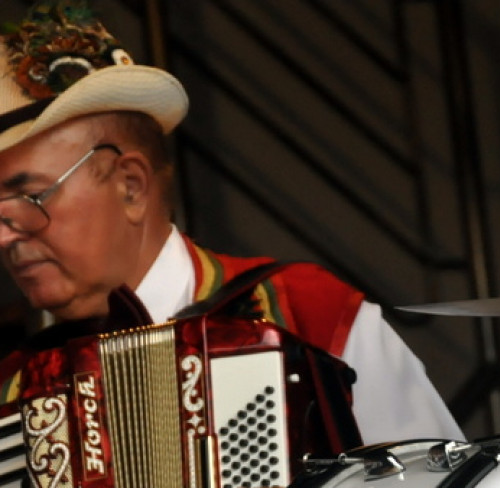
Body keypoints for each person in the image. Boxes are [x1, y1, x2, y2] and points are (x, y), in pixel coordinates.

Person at [0, 3, 463, 446]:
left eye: (28, 197)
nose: (5, 235)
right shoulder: (16, 385)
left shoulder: (312, 317)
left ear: (131, 186)